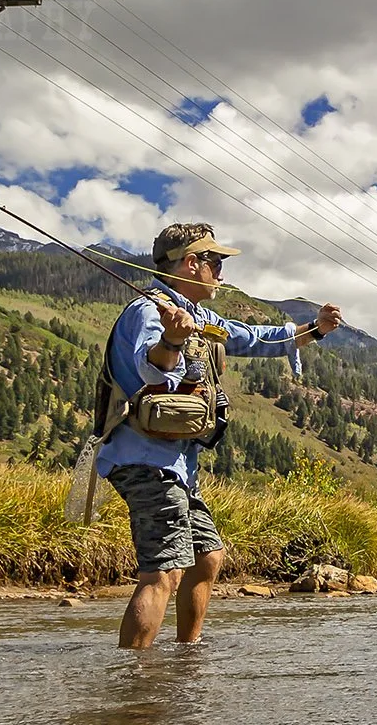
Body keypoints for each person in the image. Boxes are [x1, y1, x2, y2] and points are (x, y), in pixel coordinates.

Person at [98, 222, 343, 649]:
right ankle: (133, 682)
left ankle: (185, 661)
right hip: (144, 461)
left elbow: (254, 338)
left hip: (175, 467)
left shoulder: (203, 317)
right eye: (216, 263)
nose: (221, 273)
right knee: (163, 573)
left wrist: (314, 330)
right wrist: (172, 340)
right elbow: (149, 365)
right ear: (191, 264)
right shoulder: (147, 312)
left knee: (206, 558)